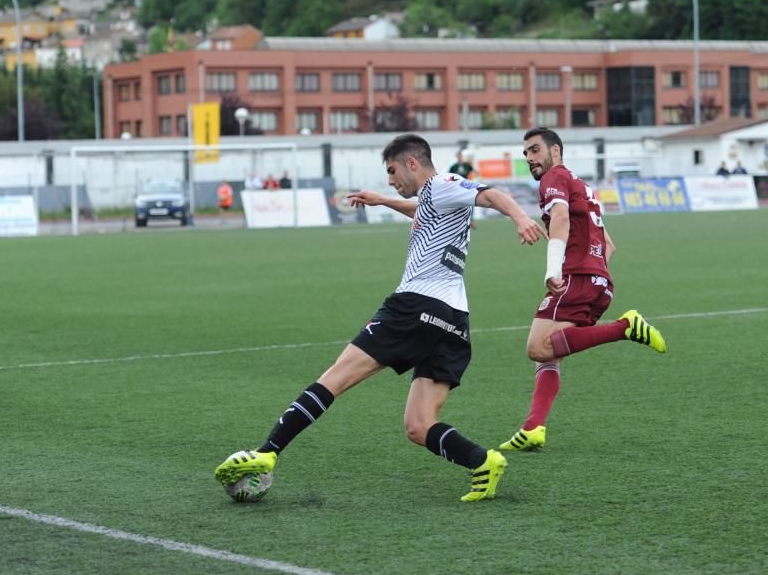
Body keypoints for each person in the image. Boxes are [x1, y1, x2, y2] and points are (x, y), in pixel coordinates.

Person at [214, 134, 547, 502]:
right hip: (454, 321)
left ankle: (267, 451)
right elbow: (422, 209)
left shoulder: (443, 183)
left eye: (392, 171)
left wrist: (520, 217)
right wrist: (382, 201)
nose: (391, 180)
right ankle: (483, 461)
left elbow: (490, 194)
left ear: (412, 163)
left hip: (415, 307)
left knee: (334, 378)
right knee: (419, 425)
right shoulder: (436, 199)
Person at [498, 127, 667, 453]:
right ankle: (534, 427)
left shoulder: (554, 178)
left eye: (535, 150)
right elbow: (609, 245)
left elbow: (560, 216)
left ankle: (625, 328)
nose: (530, 158)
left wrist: (553, 268)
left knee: (537, 347)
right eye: (526, 154)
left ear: (555, 151)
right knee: (549, 354)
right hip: (598, 280)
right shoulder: (581, 186)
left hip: (577, 278)